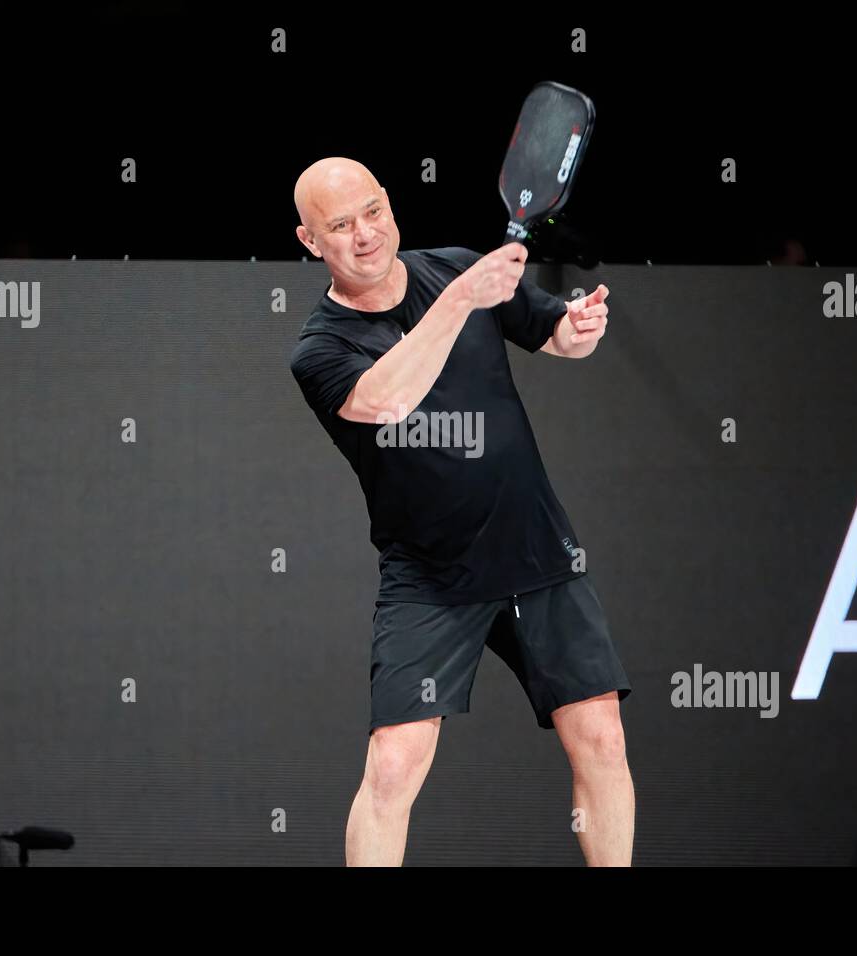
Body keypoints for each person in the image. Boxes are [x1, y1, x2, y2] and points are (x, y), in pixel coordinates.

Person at [289, 157, 634, 866]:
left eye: (372, 212)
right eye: (340, 226)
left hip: (538, 552)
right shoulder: (319, 348)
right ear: (310, 241)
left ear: (390, 204)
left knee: (601, 738)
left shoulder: (453, 266)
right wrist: (461, 298)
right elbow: (387, 401)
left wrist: (578, 327)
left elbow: (557, 336)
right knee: (392, 765)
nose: (364, 235)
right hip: (431, 576)